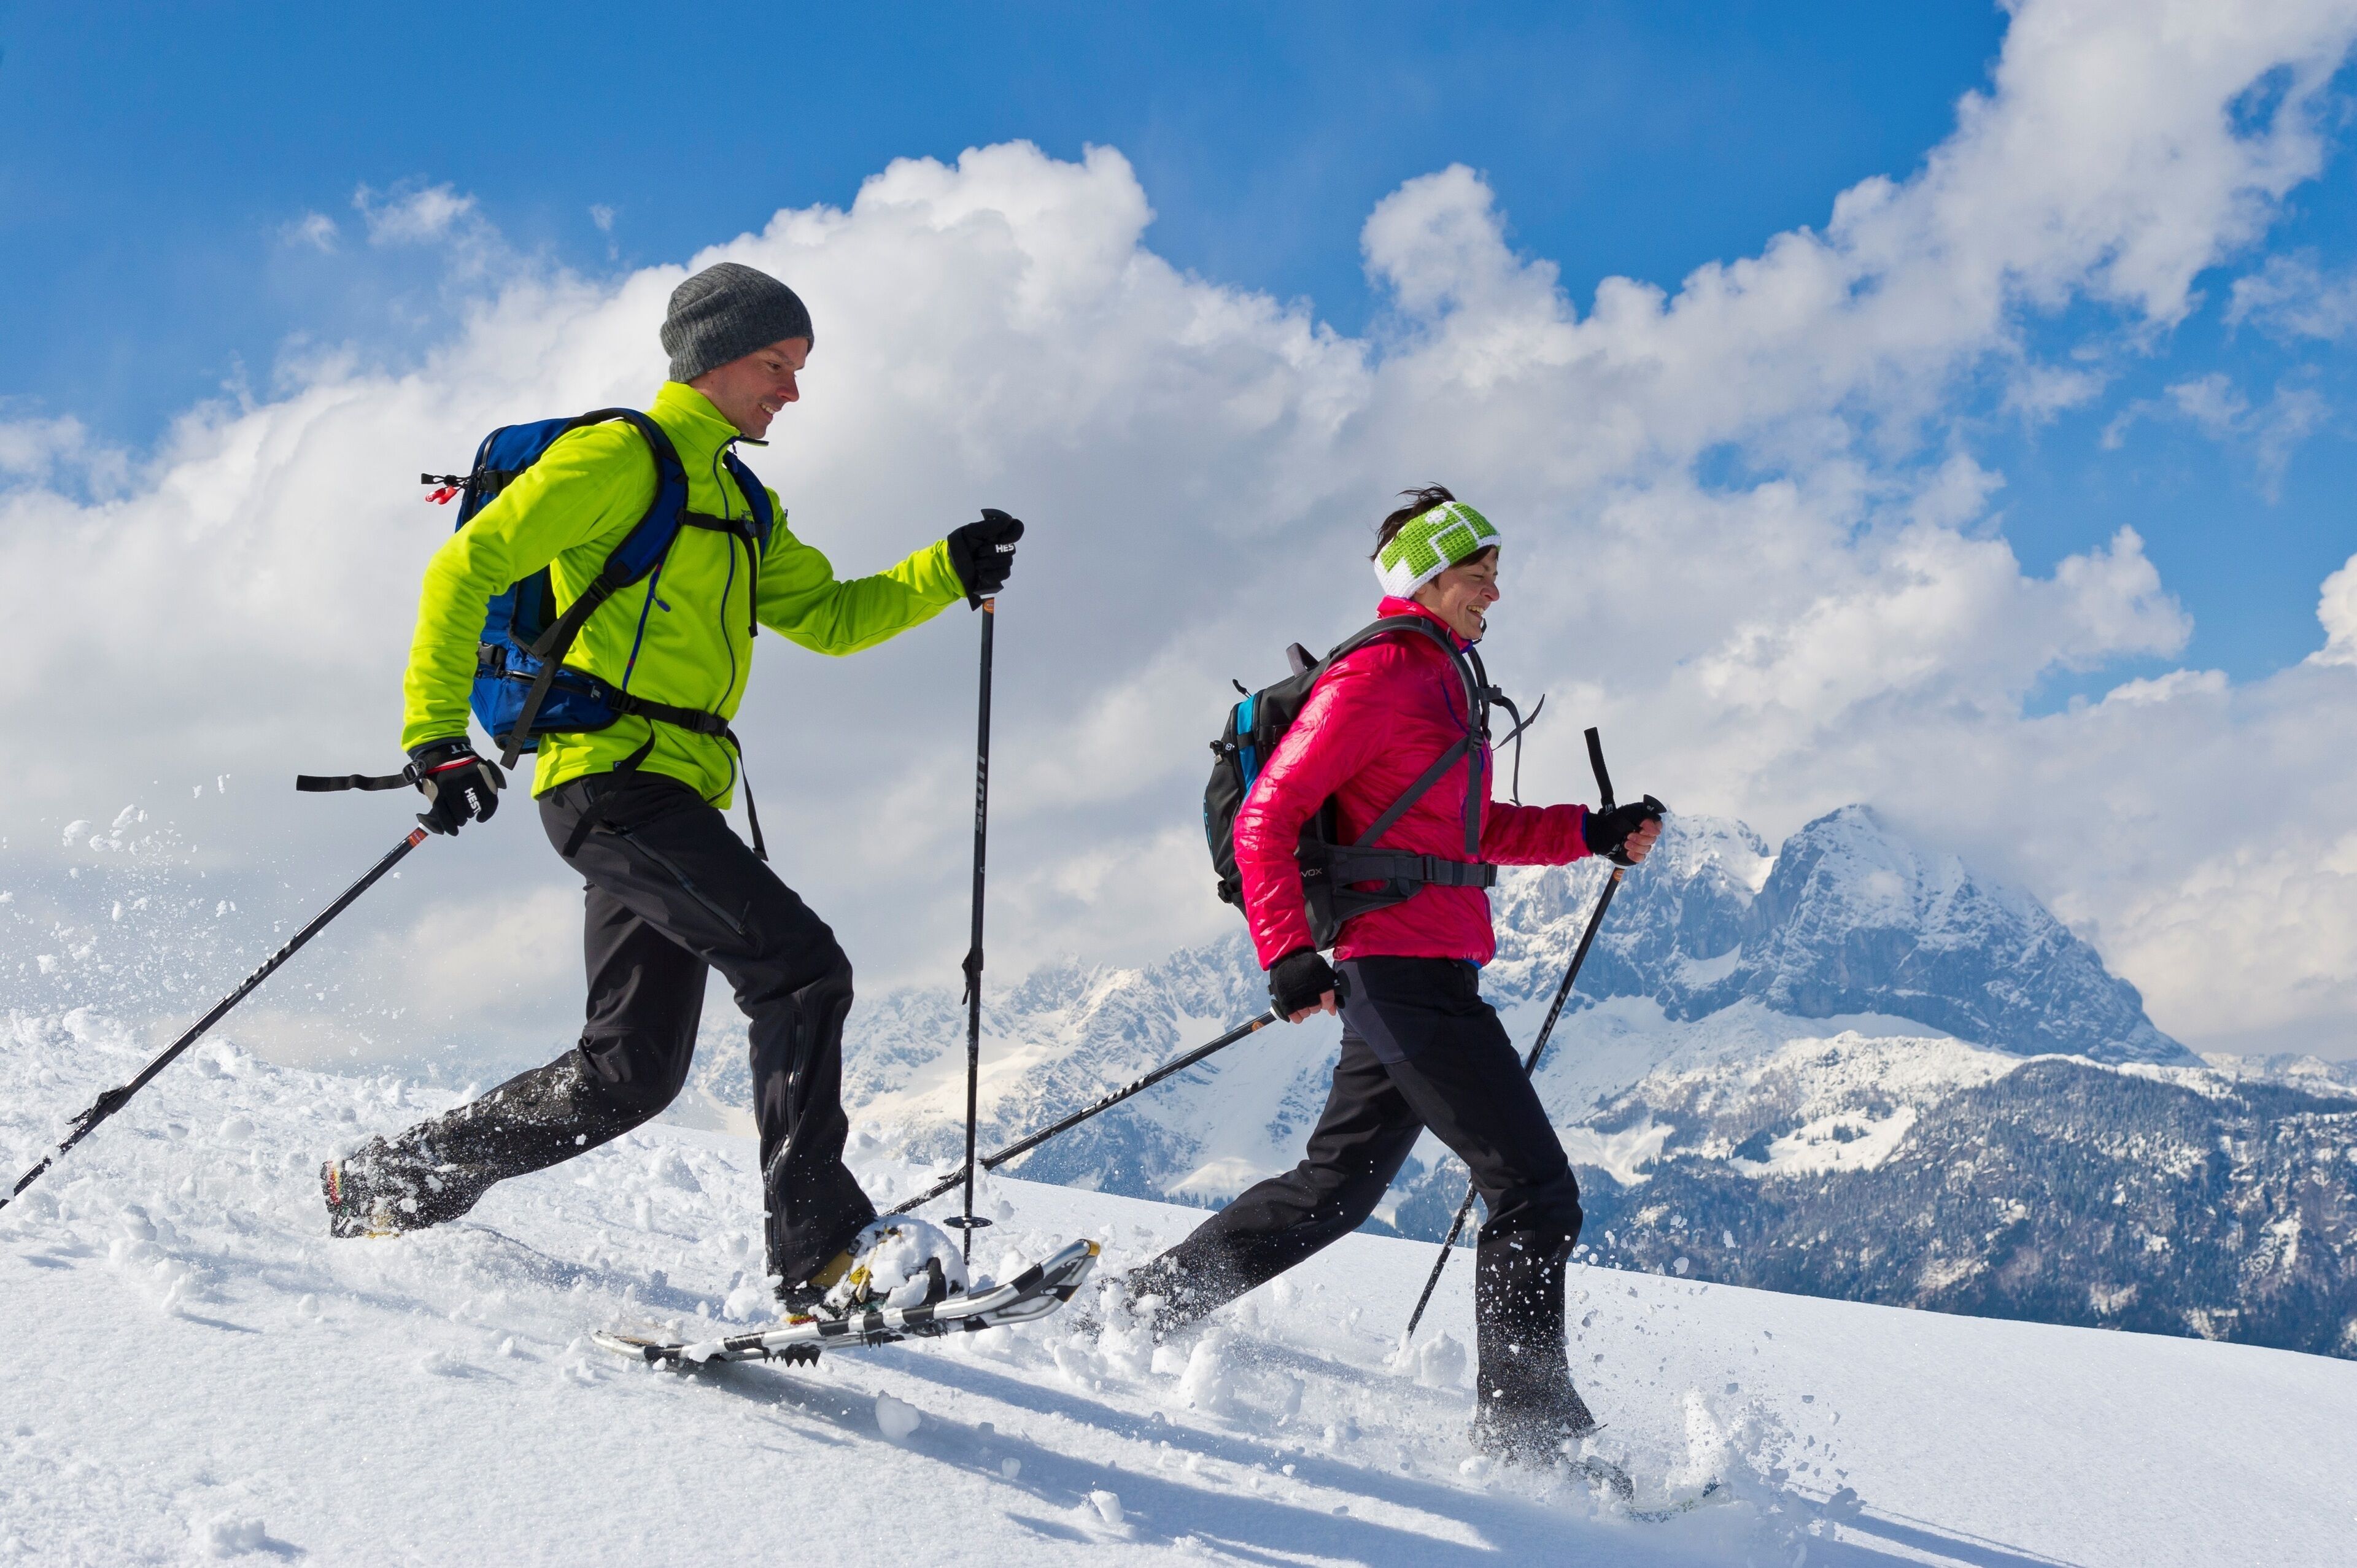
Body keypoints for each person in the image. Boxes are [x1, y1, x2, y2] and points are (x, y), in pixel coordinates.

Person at [322, 262, 1025, 1316]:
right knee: (798, 971)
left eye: (798, 369)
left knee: (632, 1072)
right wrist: (434, 738)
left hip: (674, 794)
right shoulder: (620, 458)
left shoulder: (743, 499)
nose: (791, 391)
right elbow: (462, 569)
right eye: (776, 365)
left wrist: (945, 568)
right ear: (714, 358)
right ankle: (823, 1256)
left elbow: (831, 617)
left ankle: (386, 1182)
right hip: (608, 780)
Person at [1121, 485, 1662, 1463]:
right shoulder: (1381, 677)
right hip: (1397, 970)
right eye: (1478, 573)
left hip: (1427, 970)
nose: (1494, 593)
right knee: (1534, 1188)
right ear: (1425, 575)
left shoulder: (1443, 682)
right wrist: (1286, 952)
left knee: (1333, 1192)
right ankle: (1526, 1435)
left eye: (1496, 574)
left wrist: (1588, 832)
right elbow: (1267, 819)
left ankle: (1138, 1309)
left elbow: (1472, 834)